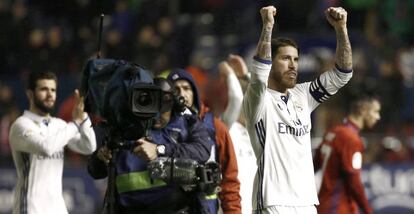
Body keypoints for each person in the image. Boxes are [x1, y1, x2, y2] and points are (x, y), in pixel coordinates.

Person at [243, 6, 353, 213]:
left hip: (306, 202)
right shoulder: (258, 100)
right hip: (273, 202)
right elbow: (258, 75)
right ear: (271, 63)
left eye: (296, 59)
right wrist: (267, 26)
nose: (293, 65)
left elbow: (342, 74)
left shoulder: (304, 95)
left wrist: (341, 29)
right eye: (285, 59)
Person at [87, 78, 215, 214]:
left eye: (163, 110)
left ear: (173, 105)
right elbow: (95, 171)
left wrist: (159, 150)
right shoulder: (125, 129)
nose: (157, 117)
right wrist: (101, 158)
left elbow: (202, 151)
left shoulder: (188, 123)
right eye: (153, 110)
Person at [9, 71, 97, 214]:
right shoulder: (21, 125)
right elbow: (46, 147)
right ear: (30, 94)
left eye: (53, 90)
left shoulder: (59, 125)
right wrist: (76, 123)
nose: (50, 94)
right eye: (44, 89)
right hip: (30, 207)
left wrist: (84, 116)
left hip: (57, 207)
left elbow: (89, 147)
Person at [167, 69, 241, 214]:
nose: (182, 94)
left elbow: (229, 180)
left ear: (195, 92)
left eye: (186, 88)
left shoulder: (215, 127)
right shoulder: (162, 129)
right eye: (175, 89)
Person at [314, 95, 380, 214]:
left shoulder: (333, 132)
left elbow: (314, 165)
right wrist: (367, 210)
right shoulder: (351, 139)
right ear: (363, 110)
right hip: (339, 208)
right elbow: (353, 181)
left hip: (323, 205)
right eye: (375, 111)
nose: (378, 117)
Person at [219, 54, 257, 214]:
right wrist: (229, 74)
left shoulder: (260, 133)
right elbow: (236, 98)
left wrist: (245, 76)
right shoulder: (225, 127)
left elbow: (266, 101)